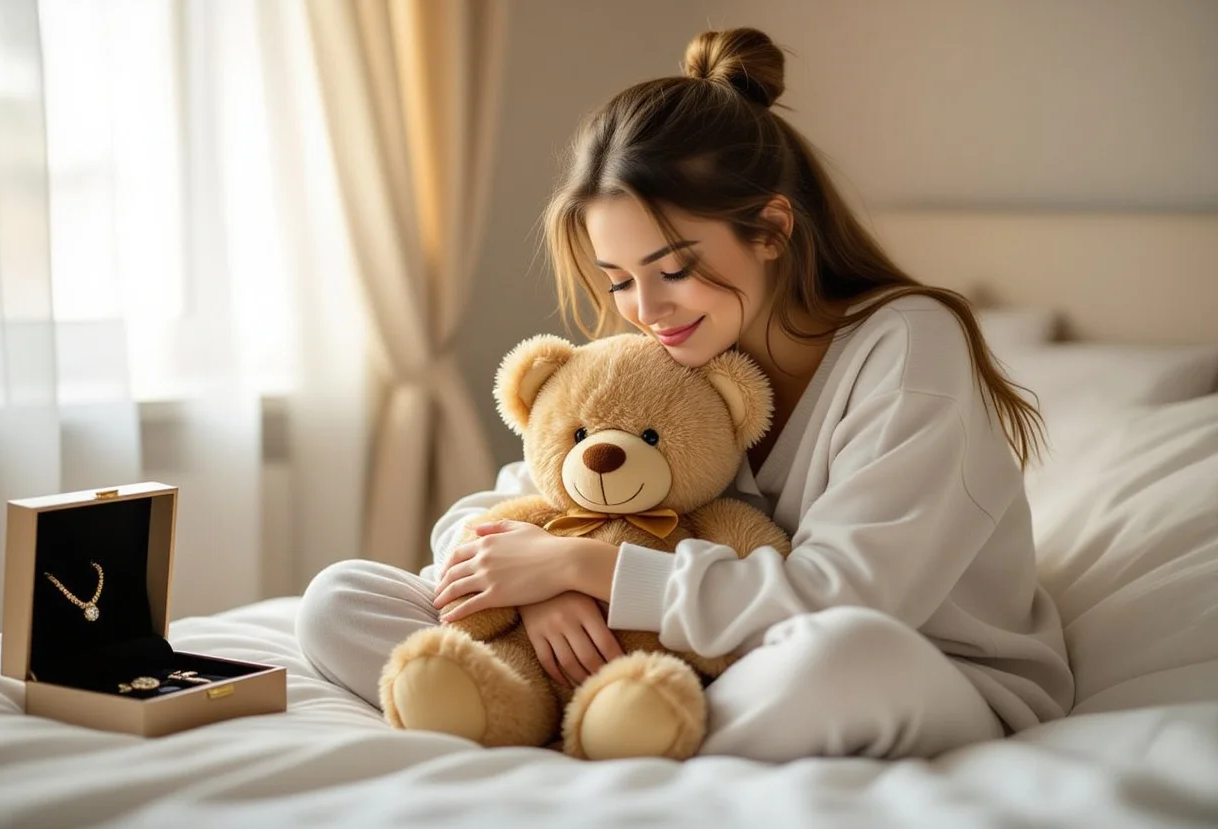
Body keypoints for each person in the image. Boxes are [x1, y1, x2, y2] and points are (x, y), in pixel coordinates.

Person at [296, 27, 1074, 763]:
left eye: (671, 269)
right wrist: (536, 594)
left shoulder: (907, 343)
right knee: (339, 599)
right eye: (620, 280)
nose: (646, 309)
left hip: (924, 668)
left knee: (843, 656)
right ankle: (592, 717)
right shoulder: (678, 347)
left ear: (771, 229)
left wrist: (582, 570)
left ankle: (601, 731)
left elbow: (848, 597)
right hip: (689, 662)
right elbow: (511, 504)